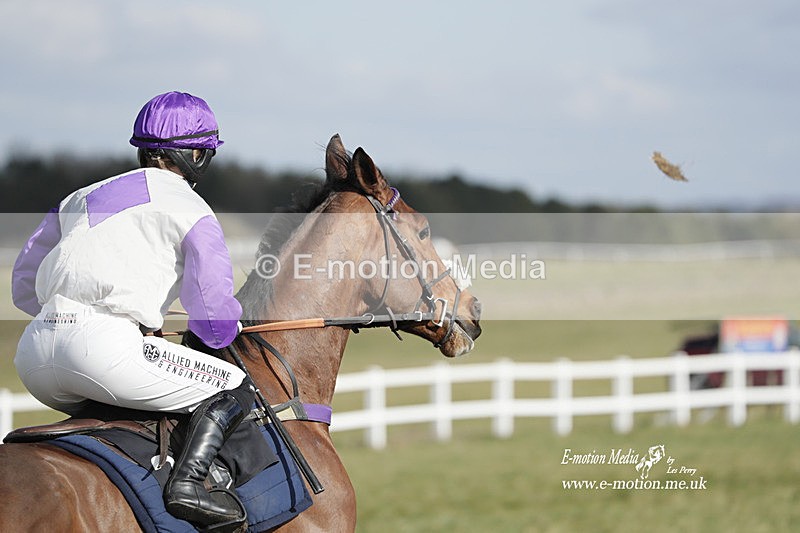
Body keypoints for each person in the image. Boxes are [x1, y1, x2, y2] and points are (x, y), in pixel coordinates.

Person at [12, 91, 254, 527]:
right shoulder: (194, 209)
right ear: (199, 155)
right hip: (103, 355)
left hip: (33, 357)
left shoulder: (79, 196)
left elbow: (23, 287)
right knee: (234, 386)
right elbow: (215, 323)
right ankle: (188, 489)